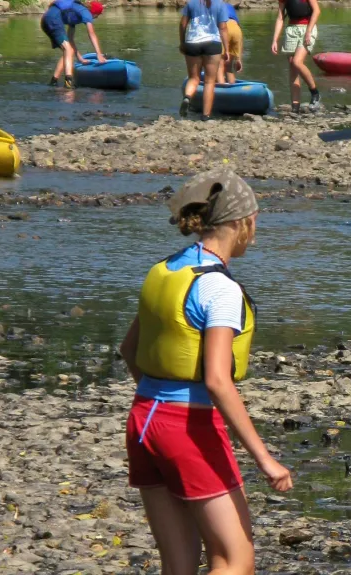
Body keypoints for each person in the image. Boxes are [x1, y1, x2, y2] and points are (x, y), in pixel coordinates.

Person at [120, 166, 293, 575]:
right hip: (188, 428)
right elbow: (217, 381)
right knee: (235, 560)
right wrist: (266, 459)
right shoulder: (220, 288)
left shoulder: (165, 270)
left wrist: (159, 406)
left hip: (143, 421)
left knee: (178, 565)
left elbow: (130, 351)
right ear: (241, 223)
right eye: (255, 219)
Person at [178, 0, 233, 120]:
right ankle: (205, 115)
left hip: (192, 43)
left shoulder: (191, 3)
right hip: (212, 44)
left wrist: (182, 43)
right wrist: (227, 50)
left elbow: (183, 24)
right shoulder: (220, 4)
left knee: (193, 78)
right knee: (209, 82)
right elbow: (223, 28)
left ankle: (187, 97)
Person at [40, 0, 106, 89]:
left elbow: (70, 39)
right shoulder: (86, 13)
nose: (97, 17)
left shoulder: (73, 14)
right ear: (94, 13)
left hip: (45, 20)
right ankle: (68, 83)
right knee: (68, 50)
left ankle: (54, 81)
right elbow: (91, 34)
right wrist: (99, 54)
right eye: (98, 14)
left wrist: (80, 58)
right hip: (53, 19)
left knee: (67, 51)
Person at [271, 0, 320, 113]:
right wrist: (275, 40)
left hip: (307, 27)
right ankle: (295, 107)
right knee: (293, 70)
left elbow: (316, 11)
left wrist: (308, 31)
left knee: (297, 62)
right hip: (291, 30)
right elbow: (280, 17)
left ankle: (314, 92)